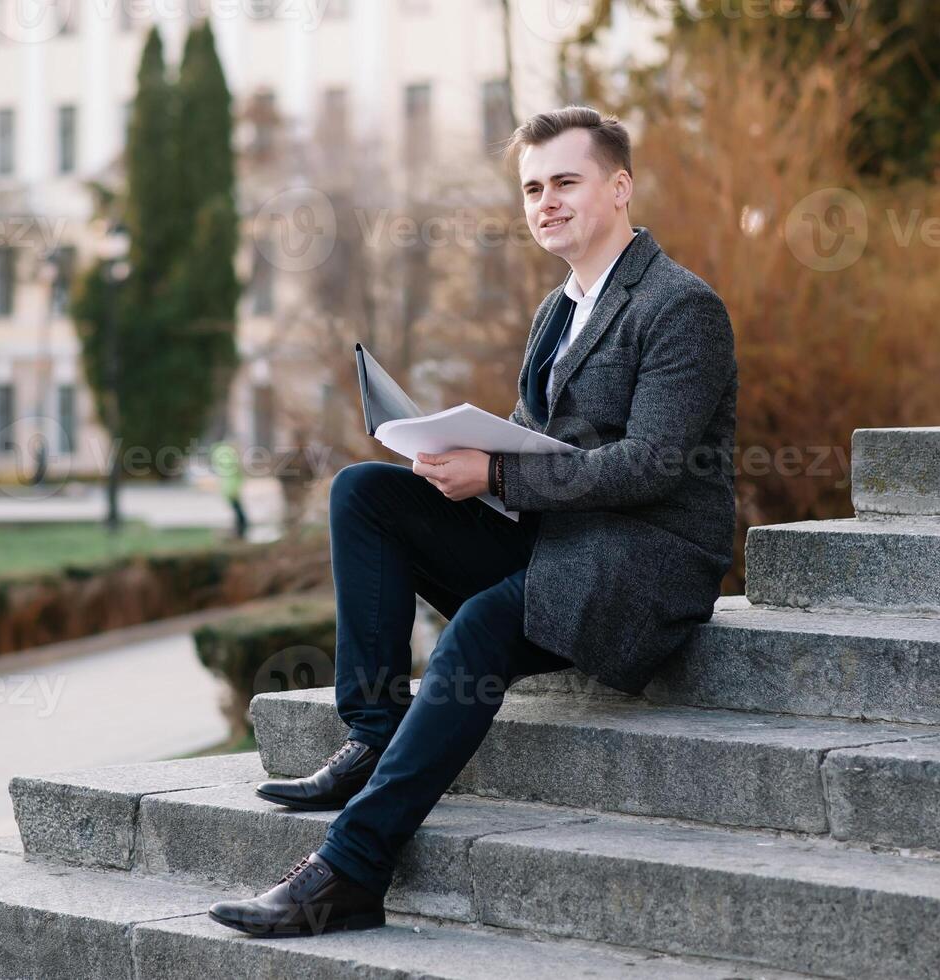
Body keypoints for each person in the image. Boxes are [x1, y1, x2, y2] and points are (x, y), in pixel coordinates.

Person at [207, 105, 739, 937]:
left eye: (565, 181)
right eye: (532, 187)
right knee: (364, 494)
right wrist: (457, 460)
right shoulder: (556, 309)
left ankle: (347, 871)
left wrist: (496, 470)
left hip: (643, 566)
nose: (545, 202)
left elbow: (652, 465)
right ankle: (375, 732)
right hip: (561, 539)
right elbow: (537, 442)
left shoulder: (679, 306)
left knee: (486, 624)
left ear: (619, 187)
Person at [209, 438, 248, 540]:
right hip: (232, 486)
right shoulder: (230, 457)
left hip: (227, 487)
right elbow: (238, 473)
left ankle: (241, 528)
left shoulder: (220, 457)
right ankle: (241, 528)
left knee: (236, 508)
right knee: (238, 508)